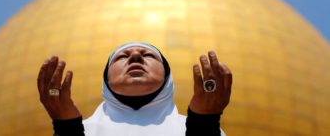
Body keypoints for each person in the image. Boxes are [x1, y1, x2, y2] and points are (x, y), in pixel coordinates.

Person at [37, 42, 232, 136]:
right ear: (106, 78)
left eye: (148, 55)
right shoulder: (85, 131)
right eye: (122, 57)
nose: (136, 56)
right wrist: (66, 130)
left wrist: (204, 125)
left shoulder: (186, 128)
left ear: (167, 76)